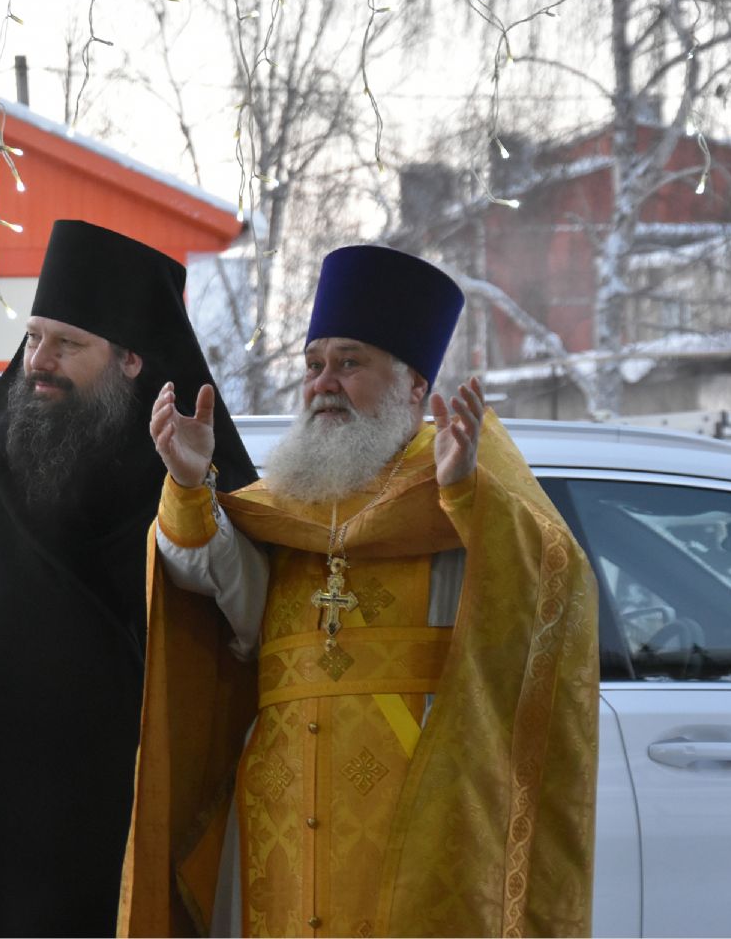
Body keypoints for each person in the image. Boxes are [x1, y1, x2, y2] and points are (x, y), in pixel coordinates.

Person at [119, 245, 599, 938]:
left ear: (413, 385)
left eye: (349, 363)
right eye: (313, 365)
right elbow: (230, 596)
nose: (324, 383)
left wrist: (469, 498)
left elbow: (549, 588)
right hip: (282, 796)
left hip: (421, 796)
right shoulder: (291, 496)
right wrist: (191, 487)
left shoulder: (464, 475)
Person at [0, 219, 258, 937]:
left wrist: (194, 492)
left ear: (130, 359)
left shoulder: (191, 477)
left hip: (128, 840)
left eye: (67, 344)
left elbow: (250, 630)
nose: (38, 361)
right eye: (34, 338)